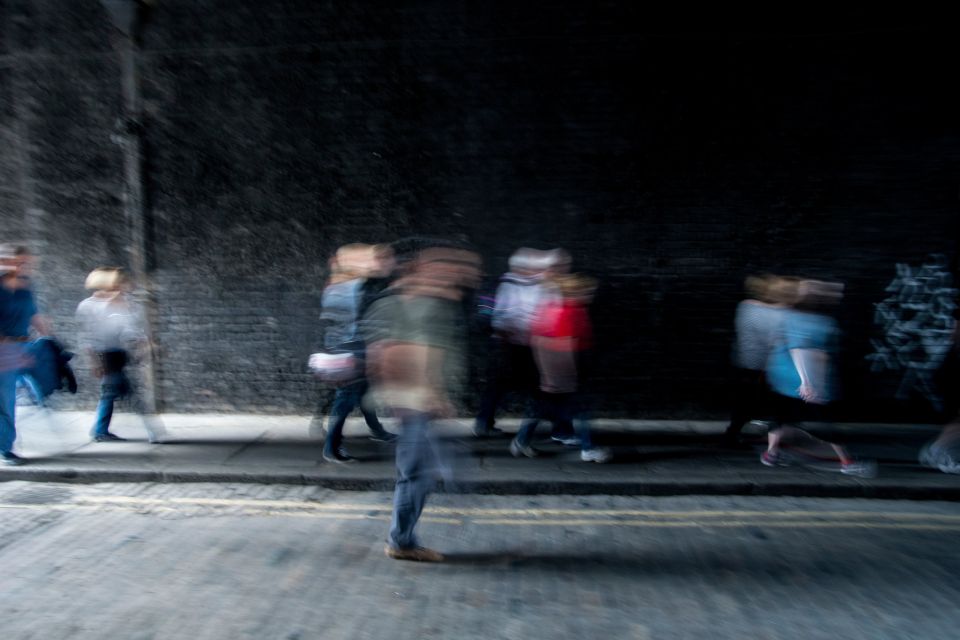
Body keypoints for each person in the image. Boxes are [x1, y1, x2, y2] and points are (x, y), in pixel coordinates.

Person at [364, 242, 481, 562]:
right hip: (411, 403)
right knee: (416, 474)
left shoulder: (430, 303)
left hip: (420, 402)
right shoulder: (400, 304)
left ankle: (404, 535)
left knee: (423, 470)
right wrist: (424, 395)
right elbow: (385, 354)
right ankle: (401, 542)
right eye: (447, 270)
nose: (454, 278)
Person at [760, 279, 874, 476]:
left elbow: (779, 344)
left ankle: (771, 454)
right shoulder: (821, 323)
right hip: (805, 381)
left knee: (781, 416)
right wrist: (809, 383)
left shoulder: (789, 317)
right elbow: (803, 351)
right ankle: (847, 462)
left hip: (781, 376)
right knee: (825, 420)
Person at [510, 274, 612, 463]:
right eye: (586, 291)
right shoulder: (567, 312)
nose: (590, 294)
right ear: (573, 292)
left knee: (540, 407)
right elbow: (557, 346)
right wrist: (559, 377)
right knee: (581, 409)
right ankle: (588, 449)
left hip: (563, 370)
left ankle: (521, 441)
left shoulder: (569, 309)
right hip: (565, 371)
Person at [318, 244, 396, 463]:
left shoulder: (341, 285)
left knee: (363, 392)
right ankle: (331, 447)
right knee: (346, 398)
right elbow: (363, 320)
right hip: (351, 349)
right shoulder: (352, 288)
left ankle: (377, 431)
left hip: (349, 346)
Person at [75, 267, 165, 443]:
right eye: (121, 283)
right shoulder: (89, 306)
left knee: (109, 393)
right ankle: (152, 430)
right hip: (104, 356)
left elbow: (128, 330)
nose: (126, 286)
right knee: (128, 393)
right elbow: (86, 337)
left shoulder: (123, 304)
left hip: (120, 355)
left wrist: (145, 343)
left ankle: (100, 430)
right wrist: (94, 363)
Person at [473, 248, 556, 438]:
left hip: (524, 343)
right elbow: (502, 317)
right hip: (509, 344)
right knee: (513, 385)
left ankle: (487, 422)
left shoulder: (537, 284)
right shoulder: (509, 285)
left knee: (503, 385)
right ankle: (489, 424)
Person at [725, 275, 789, 442]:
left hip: (745, 361)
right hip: (766, 363)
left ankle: (733, 433)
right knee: (777, 402)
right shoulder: (776, 311)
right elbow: (775, 337)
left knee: (745, 401)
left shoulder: (745, 306)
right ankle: (775, 438)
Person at [0, 245, 49, 465]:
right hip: (4, 349)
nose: (22, 266)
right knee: (5, 400)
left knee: (8, 400)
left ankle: (5, 446)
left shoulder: (25, 289)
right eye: (18, 261)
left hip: (18, 348)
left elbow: (33, 315)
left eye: (26, 262)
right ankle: (5, 448)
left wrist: (47, 336)